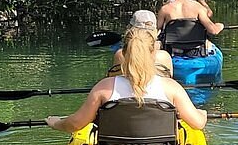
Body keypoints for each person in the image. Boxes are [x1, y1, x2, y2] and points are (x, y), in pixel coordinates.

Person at [46, 26, 207, 133]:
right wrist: (202, 113)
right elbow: (198, 124)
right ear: (153, 54)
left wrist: (56, 123)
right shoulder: (171, 87)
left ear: (123, 53)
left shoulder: (104, 87)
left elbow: (75, 124)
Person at [156, 0, 224, 53]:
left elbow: (155, 32)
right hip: (195, 52)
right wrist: (220, 26)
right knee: (209, 43)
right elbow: (213, 31)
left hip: (172, 53)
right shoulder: (198, 7)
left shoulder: (164, 9)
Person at [112, 10, 173, 78]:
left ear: (130, 30)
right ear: (156, 32)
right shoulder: (163, 57)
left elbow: (115, 80)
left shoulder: (121, 55)